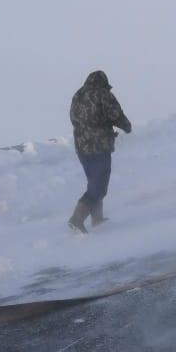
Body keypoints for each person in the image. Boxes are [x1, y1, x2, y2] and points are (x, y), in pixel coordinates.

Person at [68, 70, 132, 233]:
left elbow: (74, 118)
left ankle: (97, 218)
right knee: (99, 186)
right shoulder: (102, 94)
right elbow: (116, 114)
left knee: (94, 182)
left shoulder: (78, 95)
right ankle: (76, 219)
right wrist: (126, 126)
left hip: (82, 148)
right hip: (99, 146)